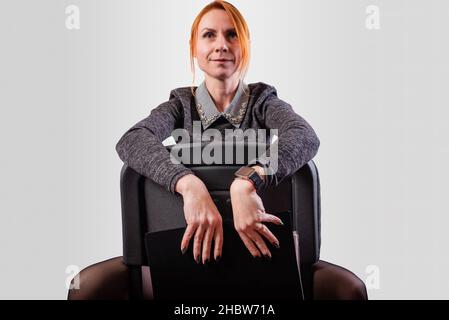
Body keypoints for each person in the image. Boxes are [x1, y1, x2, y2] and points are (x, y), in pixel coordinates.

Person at [115, 0, 319, 265]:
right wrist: (189, 185)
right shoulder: (181, 105)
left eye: (232, 34)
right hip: (185, 261)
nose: (221, 45)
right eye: (209, 35)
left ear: (244, 46)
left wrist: (246, 182)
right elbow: (132, 140)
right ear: (194, 49)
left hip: (263, 264)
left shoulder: (263, 102)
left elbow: (304, 135)